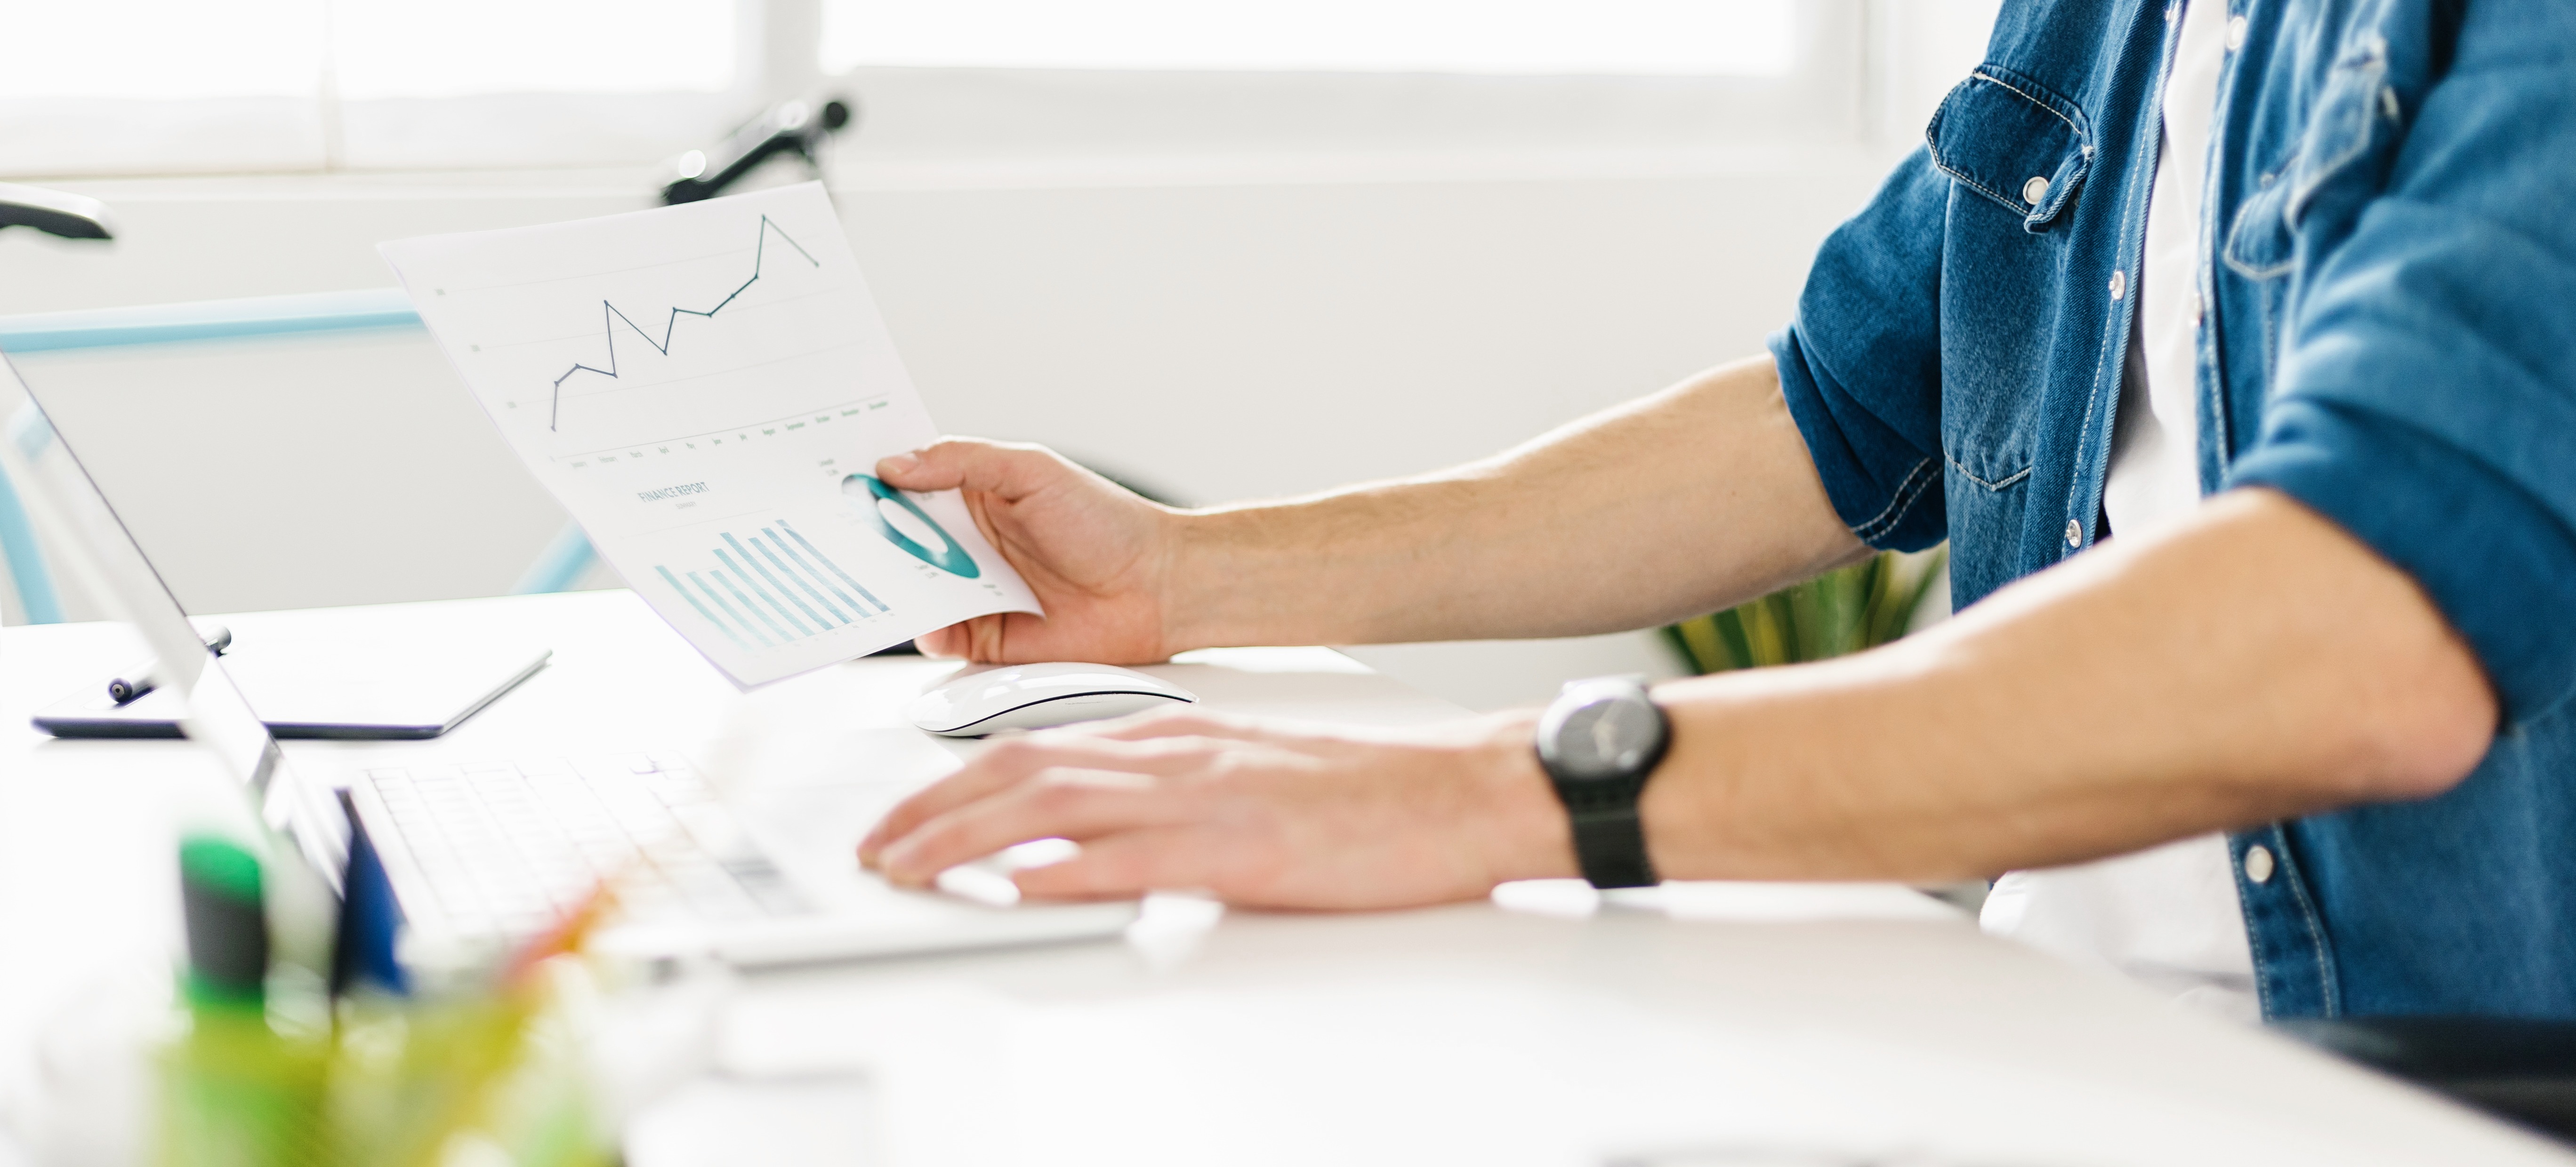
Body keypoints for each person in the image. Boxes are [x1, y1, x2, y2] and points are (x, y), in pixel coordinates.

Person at [859, 0, 2576, 1023]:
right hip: (2068, 1034)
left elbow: (2370, 625)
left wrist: (1489, 794)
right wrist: (1182, 573)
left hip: (2399, 1097)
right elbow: (1827, 416)